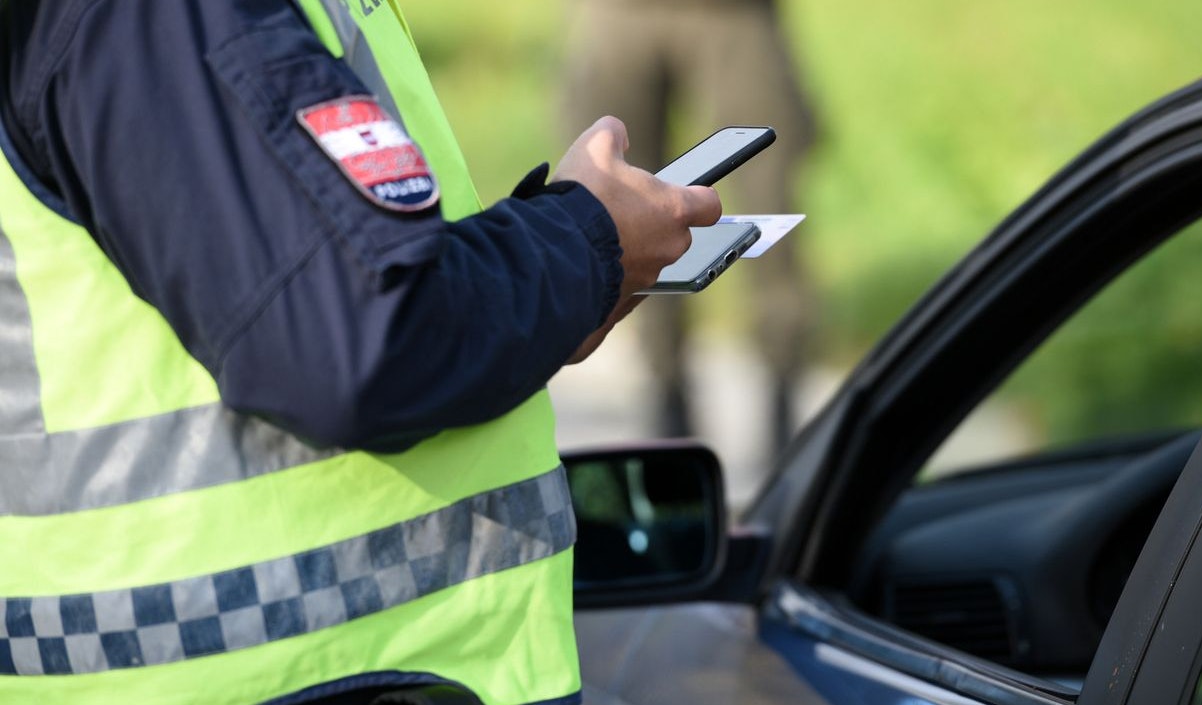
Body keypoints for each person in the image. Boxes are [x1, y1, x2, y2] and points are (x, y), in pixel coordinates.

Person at [0, 2, 719, 704]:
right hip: (311, 675)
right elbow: (359, 342)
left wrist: (568, 287)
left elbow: (330, 291)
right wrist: (582, 239)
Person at [563, 0, 818, 453]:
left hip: (735, 15)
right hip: (619, 15)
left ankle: (784, 396)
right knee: (625, 205)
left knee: (769, 197)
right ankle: (667, 398)